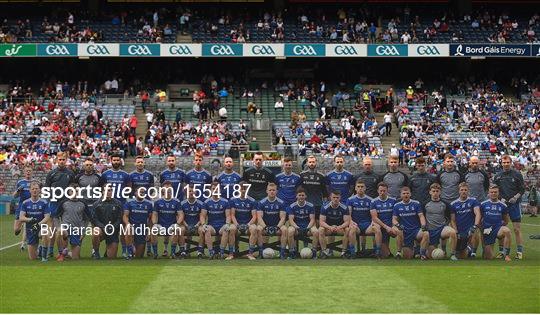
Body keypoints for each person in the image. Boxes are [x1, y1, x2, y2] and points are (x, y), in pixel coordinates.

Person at [493, 155, 525, 260]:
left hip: (514, 205)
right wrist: (500, 198)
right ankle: (502, 251)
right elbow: (494, 189)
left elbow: (522, 189)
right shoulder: (497, 176)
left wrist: (515, 197)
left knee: (516, 229)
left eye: (507, 162)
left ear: (511, 163)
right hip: (502, 206)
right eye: (504, 162)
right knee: (501, 229)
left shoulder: (517, 174)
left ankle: (519, 252)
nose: (506, 164)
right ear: (501, 163)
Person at [99, 153, 131, 257]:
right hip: (108, 206)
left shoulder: (126, 175)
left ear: (120, 161)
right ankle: (106, 249)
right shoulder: (105, 174)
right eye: (114, 160)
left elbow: (129, 190)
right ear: (111, 161)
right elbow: (101, 190)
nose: (116, 162)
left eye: (118, 160)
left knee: (122, 229)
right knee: (108, 228)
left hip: (121, 206)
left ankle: (124, 251)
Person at [45, 152, 76, 259]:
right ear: (56, 160)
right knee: (53, 229)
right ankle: (50, 250)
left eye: (63, 159)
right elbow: (47, 189)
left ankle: (62, 252)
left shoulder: (71, 174)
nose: (62, 161)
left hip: (66, 205)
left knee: (64, 230)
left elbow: (73, 188)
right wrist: (49, 202)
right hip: (54, 204)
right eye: (60, 159)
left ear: (66, 160)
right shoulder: (51, 174)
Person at [56, 182, 93, 261]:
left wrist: (83, 232)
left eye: (76, 191)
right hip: (65, 228)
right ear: (69, 192)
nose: (75, 193)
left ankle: (67, 252)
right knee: (60, 231)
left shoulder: (83, 203)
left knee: (75, 258)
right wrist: (58, 227)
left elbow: (87, 219)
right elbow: (55, 217)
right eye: (72, 191)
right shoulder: (63, 202)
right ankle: (61, 253)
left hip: (76, 230)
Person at [347, 180, 382, 258]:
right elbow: (348, 214)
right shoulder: (350, 200)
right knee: (352, 229)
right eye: (358, 187)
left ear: (365, 188)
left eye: (362, 187)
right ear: (355, 188)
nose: (360, 188)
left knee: (377, 228)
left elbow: (373, 215)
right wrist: (351, 222)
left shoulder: (371, 200)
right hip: (356, 225)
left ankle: (377, 252)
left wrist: (373, 222)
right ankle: (352, 253)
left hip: (368, 226)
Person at [392, 186, 429, 260]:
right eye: (404, 193)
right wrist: (398, 225)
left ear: (410, 194)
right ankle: (399, 252)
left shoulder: (416, 203)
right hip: (405, 231)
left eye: (407, 193)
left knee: (426, 233)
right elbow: (394, 219)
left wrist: (423, 225)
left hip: (415, 230)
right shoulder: (397, 205)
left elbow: (421, 216)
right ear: (401, 195)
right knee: (407, 257)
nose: (406, 195)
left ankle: (422, 254)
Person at [424, 183, 458, 261]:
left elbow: (449, 218)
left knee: (452, 232)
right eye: (433, 191)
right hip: (431, 230)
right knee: (430, 255)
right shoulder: (425, 203)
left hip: (442, 229)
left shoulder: (445, 204)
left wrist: (447, 225)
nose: (435, 193)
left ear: (440, 192)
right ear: (430, 192)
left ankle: (452, 254)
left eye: (437, 191)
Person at [202, 181, 234, 260]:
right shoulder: (206, 202)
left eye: (217, 189)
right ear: (210, 190)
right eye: (213, 189)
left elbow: (228, 215)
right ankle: (211, 252)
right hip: (212, 226)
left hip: (221, 226)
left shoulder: (225, 202)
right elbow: (203, 216)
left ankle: (221, 252)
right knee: (206, 230)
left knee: (226, 229)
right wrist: (203, 224)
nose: (215, 190)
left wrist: (227, 224)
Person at [18, 181, 50, 261]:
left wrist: (38, 224)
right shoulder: (25, 203)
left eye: (36, 189)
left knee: (45, 234)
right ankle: (39, 250)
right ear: (30, 190)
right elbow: (21, 217)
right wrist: (30, 219)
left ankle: (44, 257)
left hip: (41, 227)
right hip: (30, 229)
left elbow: (47, 217)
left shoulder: (44, 202)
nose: (35, 190)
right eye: (33, 189)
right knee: (33, 258)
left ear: (40, 190)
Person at [480, 185, 512, 262]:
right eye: (492, 192)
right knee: (488, 257)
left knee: (507, 231)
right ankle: (486, 250)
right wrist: (482, 230)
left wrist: (500, 227)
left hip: (498, 229)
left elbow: (506, 220)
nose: (493, 193)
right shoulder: (483, 204)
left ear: (498, 193)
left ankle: (506, 255)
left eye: (495, 192)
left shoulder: (503, 205)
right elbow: (479, 218)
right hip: (487, 230)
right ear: (488, 193)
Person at [150, 181, 181, 259]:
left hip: (172, 225)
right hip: (161, 226)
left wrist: (177, 223)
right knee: (153, 230)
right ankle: (155, 253)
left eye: (169, 188)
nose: (168, 190)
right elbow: (154, 214)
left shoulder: (176, 201)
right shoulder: (157, 202)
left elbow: (181, 215)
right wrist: (154, 223)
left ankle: (173, 253)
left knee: (176, 229)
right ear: (163, 190)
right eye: (166, 188)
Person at [91, 186, 123, 259]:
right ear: (102, 192)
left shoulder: (118, 203)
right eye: (107, 190)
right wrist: (103, 227)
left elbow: (119, 218)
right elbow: (94, 219)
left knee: (111, 257)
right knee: (95, 232)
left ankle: (107, 251)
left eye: (111, 190)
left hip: (113, 231)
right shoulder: (96, 204)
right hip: (102, 229)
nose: (109, 192)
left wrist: (113, 227)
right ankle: (96, 252)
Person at [450, 182, 481, 259]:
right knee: (462, 256)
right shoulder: (453, 204)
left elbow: (478, 213)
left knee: (476, 232)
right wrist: (456, 231)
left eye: (465, 190)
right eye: (462, 190)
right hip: (460, 231)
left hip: (470, 229)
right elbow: (452, 220)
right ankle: (466, 249)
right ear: (459, 191)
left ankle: (473, 252)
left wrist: (475, 226)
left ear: (468, 191)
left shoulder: (473, 201)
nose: (463, 191)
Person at [257, 183, 287, 259]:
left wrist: (277, 227)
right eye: (270, 190)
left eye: (273, 190)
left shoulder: (281, 202)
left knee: (285, 229)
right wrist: (265, 227)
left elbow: (283, 218)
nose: (272, 192)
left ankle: (282, 252)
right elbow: (259, 218)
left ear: (276, 191)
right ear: (267, 191)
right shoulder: (261, 202)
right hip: (266, 225)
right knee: (258, 229)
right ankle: (260, 252)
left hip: (277, 225)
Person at [287, 187, 318, 259]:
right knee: (290, 231)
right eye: (299, 195)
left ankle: (314, 252)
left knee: (316, 231)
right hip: (296, 226)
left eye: (303, 195)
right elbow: (291, 220)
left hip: (308, 226)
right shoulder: (292, 206)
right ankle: (292, 252)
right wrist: (297, 228)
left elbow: (312, 219)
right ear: (296, 196)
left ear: (306, 196)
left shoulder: (311, 206)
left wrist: (307, 228)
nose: (301, 197)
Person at [229, 182, 258, 260]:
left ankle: (250, 254)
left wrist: (248, 225)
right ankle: (231, 254)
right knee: (231, 229)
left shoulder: (252, 201)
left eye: (245, 189)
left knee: (254, 228)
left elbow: (254, 216)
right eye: (241, 189)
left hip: (248, 225)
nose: (243, 191)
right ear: (238, 189)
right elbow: (232, 215)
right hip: (237, 224)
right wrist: (237, 225)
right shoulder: (233, 200)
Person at [123, 187, 153, 259]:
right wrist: (127, 224)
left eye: (143, 192)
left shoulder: (149, 204)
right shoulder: (129, 202)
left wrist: (149, 232)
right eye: (139, 192)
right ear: (135, 193)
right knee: (128, 229)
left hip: (142, 230)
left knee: (139, 256)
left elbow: (150, 219)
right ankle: (130, 253)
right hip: (132, 228)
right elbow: (125, 216)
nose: (141, 193)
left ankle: (133, 248)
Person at [370, 182, 398, 258]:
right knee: (385, 255)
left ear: (387, 191)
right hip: (381, 226)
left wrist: (393, 226)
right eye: (380, 191)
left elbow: (395, 215)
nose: (382, 192)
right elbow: (374, 218)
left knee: (398, 231)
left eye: (384, 191)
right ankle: (382, 250)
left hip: (391, 225)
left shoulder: (393, 200)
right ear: (377, 191)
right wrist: (386, 227)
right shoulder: (373, 201)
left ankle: (399, 252)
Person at [319, 191, 350, 258]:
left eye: (337, 197)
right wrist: (330, 227)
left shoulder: (344, 207)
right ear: (330, 197)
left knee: (347, 229)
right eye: (334, 197)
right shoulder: (324, 207)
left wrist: (339, 227)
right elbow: (321, 222)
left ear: (340, 198)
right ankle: (324, 252)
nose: (335, 199)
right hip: (328, 228)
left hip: (340, 228)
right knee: (321, 229)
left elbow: (347, 222)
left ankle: (343, 252)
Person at [178, 185, 206, 258]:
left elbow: (202, 216)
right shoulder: (182, 203)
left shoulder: (201, 203)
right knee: (181, 230)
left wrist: (197, 225)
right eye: (189, 191)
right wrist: (186, 226)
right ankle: (183, 251)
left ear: (195, 192)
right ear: (186, 193)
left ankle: (199, 251)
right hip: (185, 225)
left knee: (202, 230)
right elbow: (181, 217)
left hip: (197, 225)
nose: (191, 192)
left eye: (192, 191)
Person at [13, 166, 33, 249]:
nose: (28, 172)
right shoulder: (20, 182)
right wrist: (18, 190)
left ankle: (23, 243)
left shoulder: (35, 182)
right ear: (24, 173)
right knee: (16, 230)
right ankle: (21, 226)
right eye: (26, 171)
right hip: (21, 206)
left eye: (29, 171)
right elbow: (14, 196)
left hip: (31, 205)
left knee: (27, 226)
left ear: (32, 172)